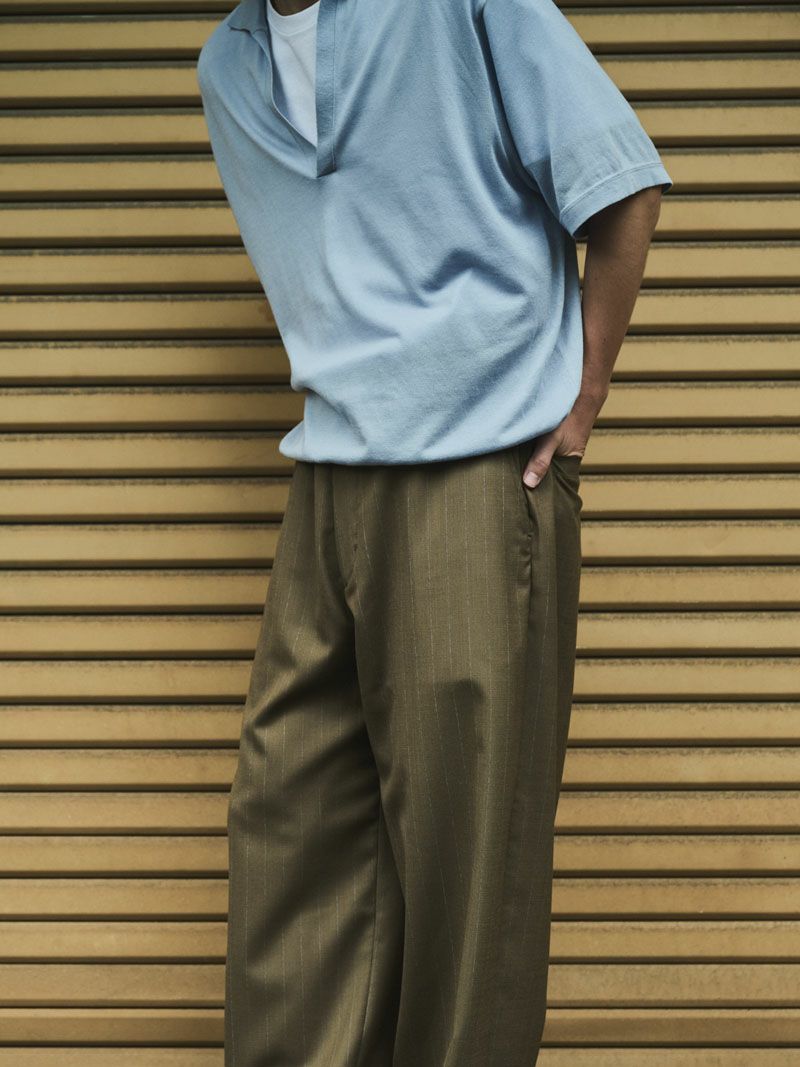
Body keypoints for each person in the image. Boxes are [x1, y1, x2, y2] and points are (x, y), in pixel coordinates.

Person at [197, 0, 671, 1062]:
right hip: (330, 476)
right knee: (289, 829)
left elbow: (622, 184)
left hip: (476, 466)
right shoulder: (226, 67)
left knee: (467, 861)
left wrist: (584, 394)